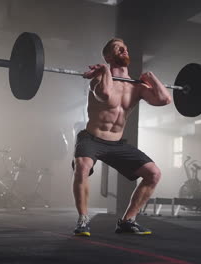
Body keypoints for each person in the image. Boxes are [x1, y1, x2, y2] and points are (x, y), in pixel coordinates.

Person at [72, 38, 172, 236]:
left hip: (116, 143)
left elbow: (165, 100)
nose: (125, 50)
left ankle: (128, 221)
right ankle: (83, 220)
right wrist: (104, 72)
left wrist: (151, 78)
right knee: (83, 167)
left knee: (154, 174)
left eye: (125, 48)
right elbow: (105, 96)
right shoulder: (98, 80)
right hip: (91, 138)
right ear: (108, 57)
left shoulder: (137, 87)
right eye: (119, 48)